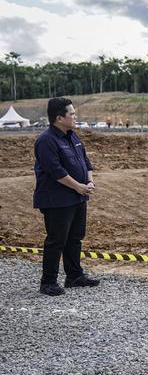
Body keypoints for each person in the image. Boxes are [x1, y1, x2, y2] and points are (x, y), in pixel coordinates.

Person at [33, 97, 99, 295]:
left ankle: (74, 276)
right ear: (59, 118)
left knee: (75, 238)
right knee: (56, 240)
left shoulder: (73, 136)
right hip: (57, 200)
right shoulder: (46, 141)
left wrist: (89, 182)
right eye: (72, 114)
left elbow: (86, 163)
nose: (75, 116)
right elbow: (55, 170)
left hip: (78, 197)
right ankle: (48, 282)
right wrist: (78, 186)